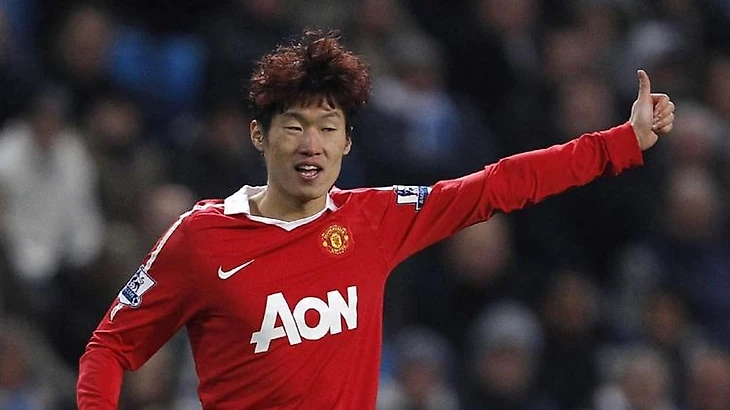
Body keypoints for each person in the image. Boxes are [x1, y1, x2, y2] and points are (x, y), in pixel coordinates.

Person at [77, 29, 675, 409]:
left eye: (327, 128)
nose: (311, 144)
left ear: (347, 144)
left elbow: (497, 186)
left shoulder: (374, 219)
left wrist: (619, 142)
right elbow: (108, 349)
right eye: (294, 126)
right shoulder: (200, 237)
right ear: (259, 135)